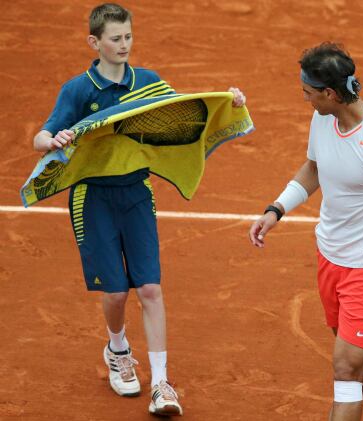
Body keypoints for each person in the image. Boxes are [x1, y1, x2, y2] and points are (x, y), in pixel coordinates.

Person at [32, 3, 246, 416]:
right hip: (92, 199)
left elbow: (186, 114)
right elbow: (42, 135)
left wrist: (230, 101)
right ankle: (117, 348)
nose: (124, 45)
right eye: (116, 39)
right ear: (95, 43)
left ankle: (162, 383)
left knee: (149, 288)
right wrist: (51, 141)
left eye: (128, 36)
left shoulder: (147, 83)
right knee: (115, 292)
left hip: (136, 195)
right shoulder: (78, 90)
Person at [249, 42, 363, 421]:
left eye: (308, 92)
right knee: (359, 354)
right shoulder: (323, 118)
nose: (305, 98)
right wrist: (276, 208)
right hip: (330, 260)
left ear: (330, 93)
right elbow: (314, 168)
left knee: (344, 371)